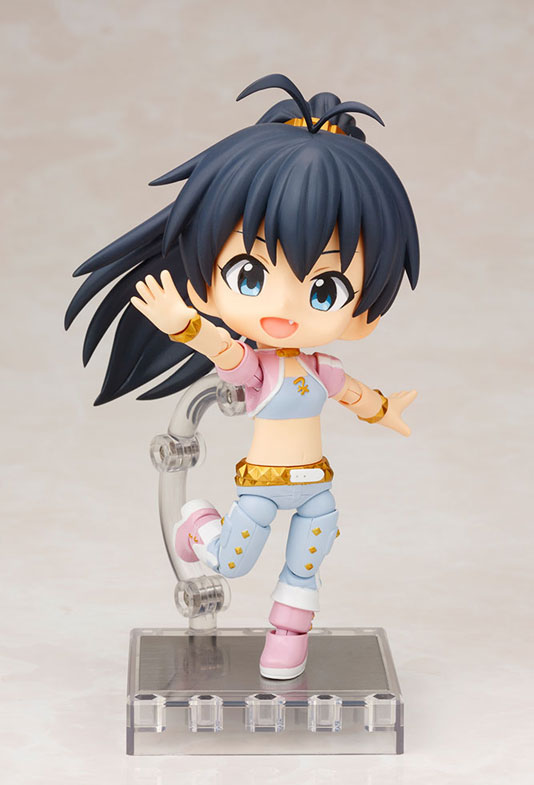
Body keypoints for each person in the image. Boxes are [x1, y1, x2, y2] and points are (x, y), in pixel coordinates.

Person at [66, 73, 419, 679]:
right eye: (250, 276)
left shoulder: (323, 369)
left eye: (326, 288)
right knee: (231, 562)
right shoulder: (257, 367)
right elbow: (222, 350)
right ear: (208, 284)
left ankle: (288, 637)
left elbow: (355, 395)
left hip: (315, 487)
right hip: (260, 487)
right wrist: (183, 324)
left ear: (364, 314)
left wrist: (386, 410)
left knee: (308, 562)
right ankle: (198, 525)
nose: (283, 309)